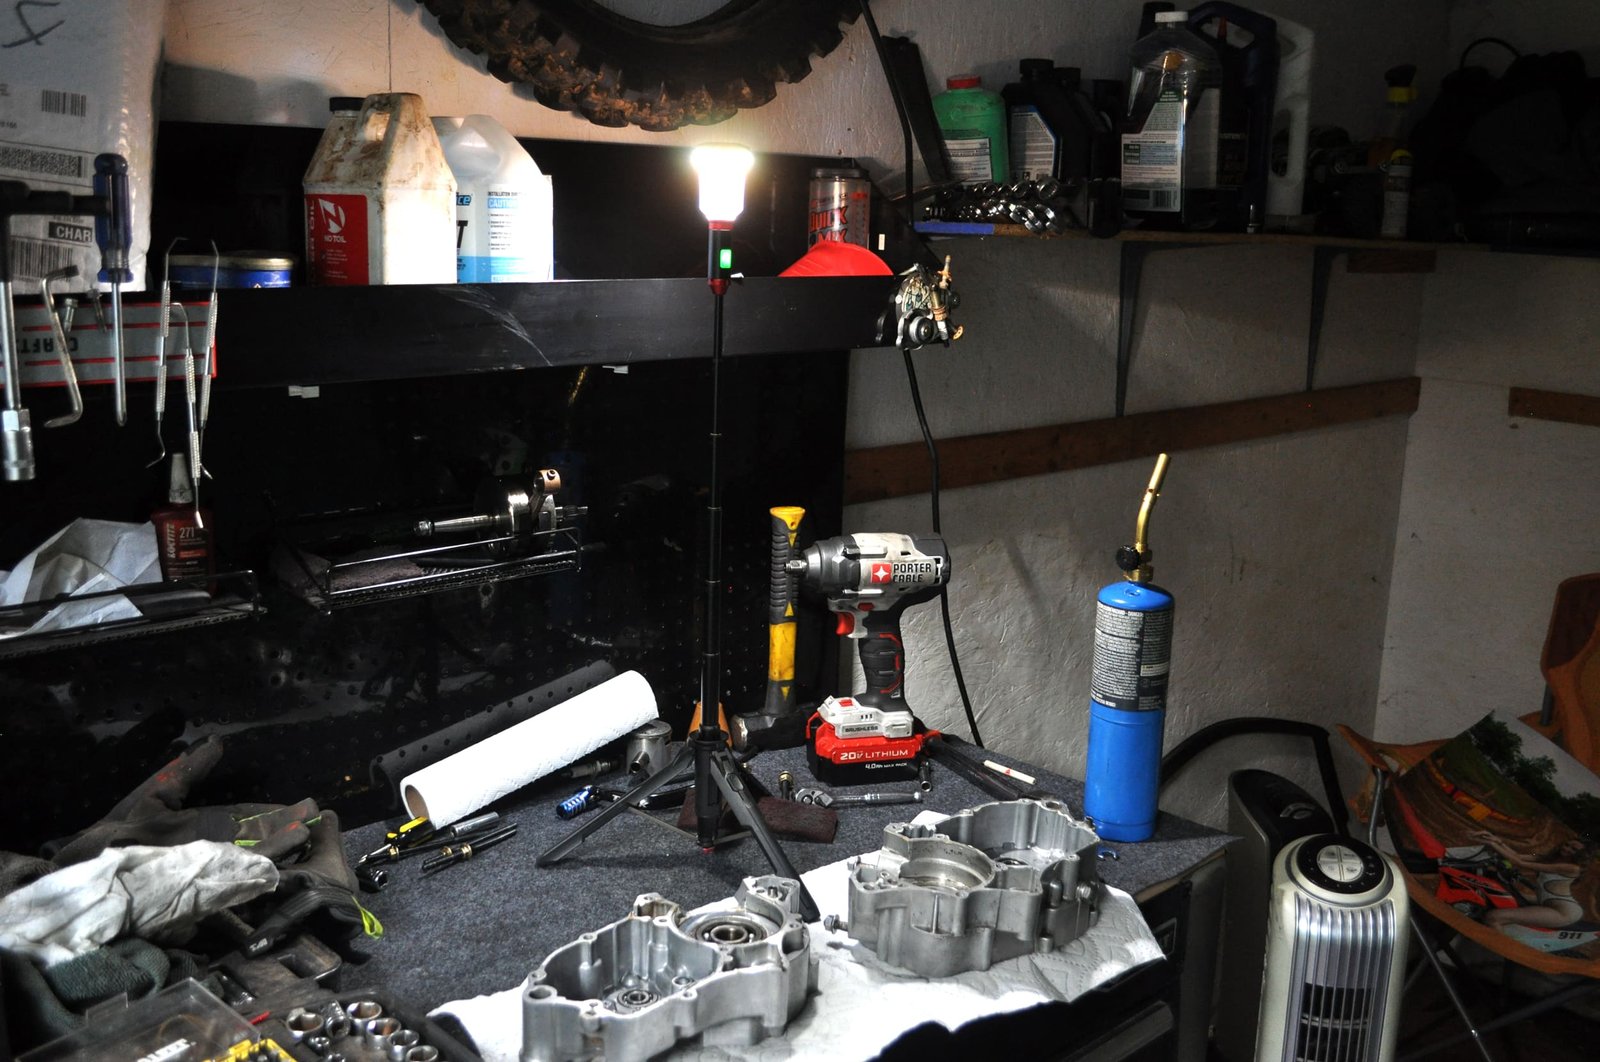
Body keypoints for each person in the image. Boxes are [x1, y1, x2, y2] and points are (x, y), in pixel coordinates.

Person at [1468, 832, 1591, 929]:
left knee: (1493, 917)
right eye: (1567, 845)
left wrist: (1492, 843)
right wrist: (1497, 841)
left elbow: (1519, 863)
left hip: (1563, 911)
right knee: (1501, 894)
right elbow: (1517, 855)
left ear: (1581, 854)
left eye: (1574, 849)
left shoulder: (1572, 868)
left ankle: (1507, 956)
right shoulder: (1548, 858)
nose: (1567, 849)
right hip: (1543, 901)